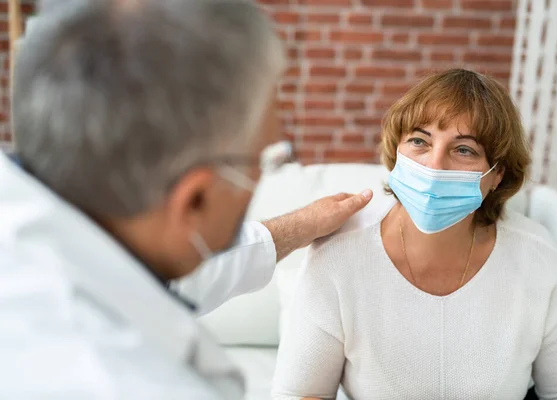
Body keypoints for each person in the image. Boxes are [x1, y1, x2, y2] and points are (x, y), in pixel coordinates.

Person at [0, 0, 373, 398]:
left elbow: (159, 272)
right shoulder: (132, 381)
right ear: (194, 200)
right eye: (265, 159)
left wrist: (301, 226)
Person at [272, 69, 557, 400]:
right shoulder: (338, 253)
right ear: (397, 149)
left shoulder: (537, 258)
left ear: (497, 174)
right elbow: (301, 393)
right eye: (419, 141)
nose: (435, 165)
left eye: (464, 150)